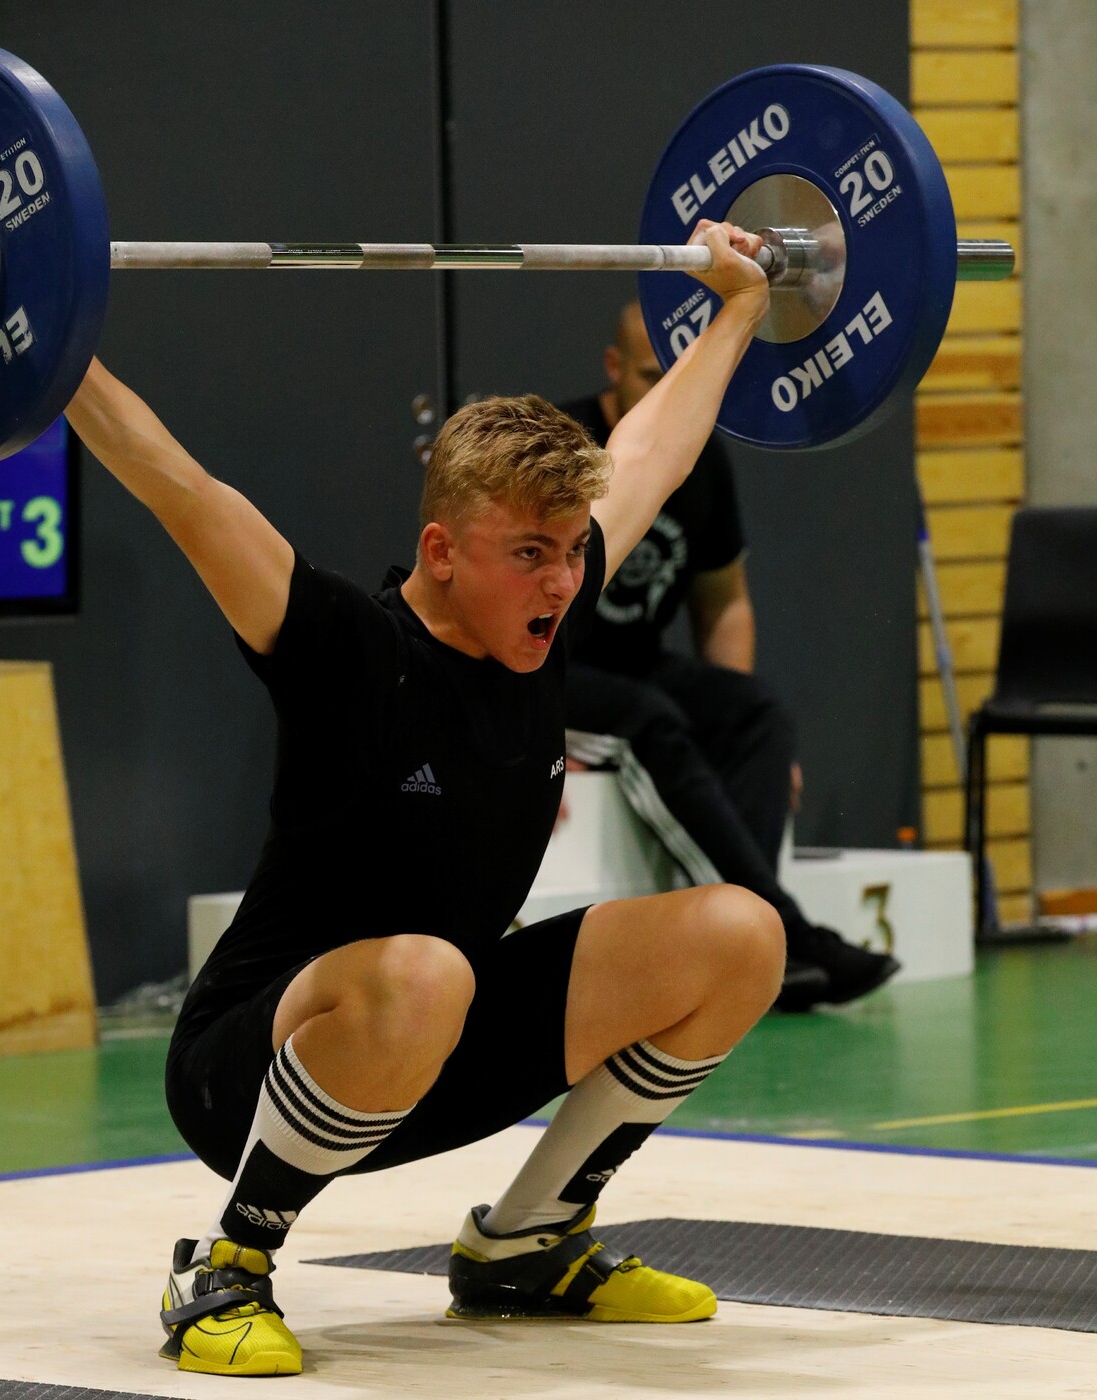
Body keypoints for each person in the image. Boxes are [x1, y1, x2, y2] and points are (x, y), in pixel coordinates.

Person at [66, 222, 785, 1380]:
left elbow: (651, 447)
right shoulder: (347, 647)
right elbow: (177, 486)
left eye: (571, 551)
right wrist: (48, 345)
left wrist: (739, 307)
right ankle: (228, 1262)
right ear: (441, 550)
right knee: (426, 972)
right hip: (255, 1063)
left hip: (438, 1036)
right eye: (530, 553)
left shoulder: (542, 615)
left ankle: (526, 1243)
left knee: (741, 932)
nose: (563, 579)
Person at [557, 301, 900, 1013]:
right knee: (649, 718)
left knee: (755, 713)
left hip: (634, 663)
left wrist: (730, 725)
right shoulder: (564, 450)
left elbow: (725, 603)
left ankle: (752, 944)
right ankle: (785, 938)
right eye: (648, 376)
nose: (664, 394)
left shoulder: (701, 458)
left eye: (675, 376)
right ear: (613, 368)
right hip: (549, 672)